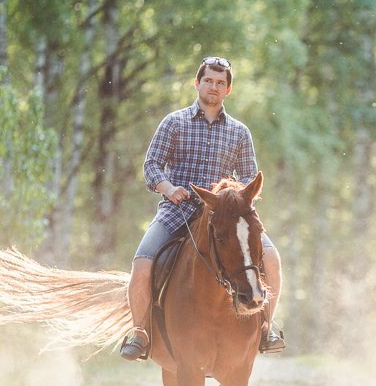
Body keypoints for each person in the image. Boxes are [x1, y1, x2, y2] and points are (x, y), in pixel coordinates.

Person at [119, 56, 285, 360]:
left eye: (221, 82)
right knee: (142, 265)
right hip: (177, 210)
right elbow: (152, 164)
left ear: (228, 90)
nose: (214, 86)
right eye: (209, 80)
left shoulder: (239, 132)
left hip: (226, 216)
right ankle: (141, 333)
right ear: (197, 83)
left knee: (272, 259)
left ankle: (267, 328)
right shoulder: (174, 122)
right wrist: (169, 189)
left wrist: (231, 196)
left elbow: (249, 177)